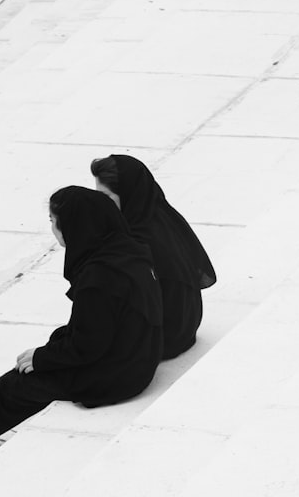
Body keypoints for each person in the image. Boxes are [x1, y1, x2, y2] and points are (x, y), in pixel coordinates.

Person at [0, 186, 163, 475]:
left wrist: (43, 358)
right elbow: (100, 327)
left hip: (119, 374)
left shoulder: (99, 277)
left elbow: (88, 345)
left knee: (19, 385)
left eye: (53, 221)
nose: (52, 228)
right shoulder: (123, 251)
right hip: (134, 357)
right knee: (21, 375)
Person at [91, 154, 215, 359]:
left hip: (165, 338)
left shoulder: (139, 239)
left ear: (128, 194)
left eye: (107, 198)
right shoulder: (158, 215)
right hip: (185, 326)